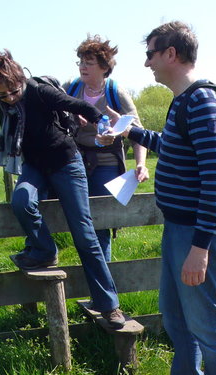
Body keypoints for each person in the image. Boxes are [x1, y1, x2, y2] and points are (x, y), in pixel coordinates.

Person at [0, 39, 126, 328]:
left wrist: (103, 126)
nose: (10, 98)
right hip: (35, 166)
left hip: (66, 163)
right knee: (21, 200)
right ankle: (44, 250)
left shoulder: (39, 90)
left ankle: (109, 305)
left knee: (84, 235)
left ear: (20, 80)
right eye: (2, 95)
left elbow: (82, 107)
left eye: (14, 91)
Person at [101, 21, 216, 374]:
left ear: (171, 54)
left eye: (151, 54)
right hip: (179, 228)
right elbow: (173, 147)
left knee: (208, 326)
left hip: (195, 232)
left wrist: (200, 248)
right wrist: (130, 131)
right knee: (178, 323)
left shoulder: (203, 102)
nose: (147, 63)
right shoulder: (183, 101)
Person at [65, 35, 149, 261]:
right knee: (79, 222)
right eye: (80, 62)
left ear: (104, 67)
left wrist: (140, 163)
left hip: (107, 165)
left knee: (101, 223)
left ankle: (102, 290)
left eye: (88, 63)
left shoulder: (116, 92)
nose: (82, 67)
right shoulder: (70, 89)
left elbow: (138, 133)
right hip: (75, 162)